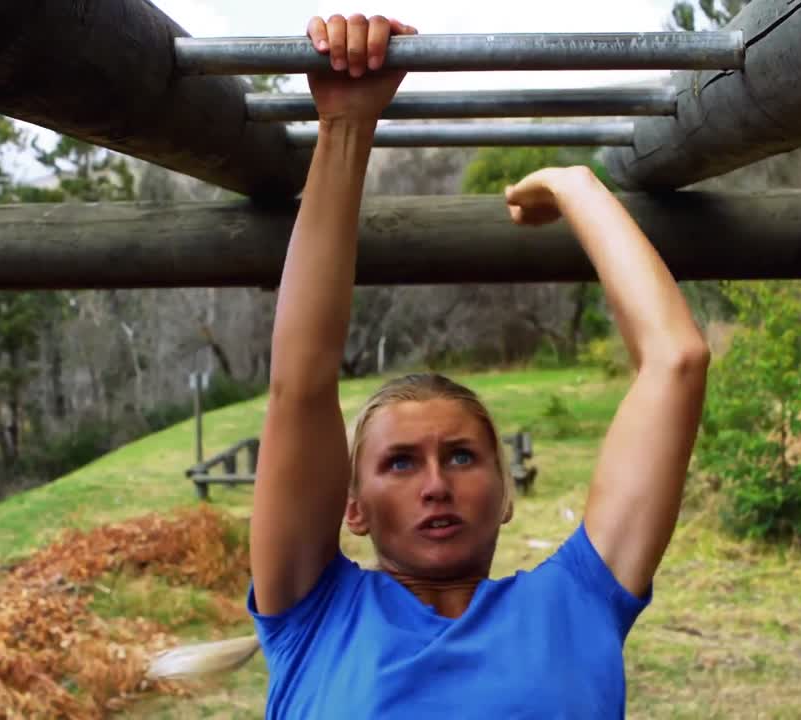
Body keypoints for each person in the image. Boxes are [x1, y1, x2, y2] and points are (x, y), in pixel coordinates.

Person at [147, 13, 710, 719]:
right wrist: (344, 124)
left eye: (463, 457)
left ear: (505, 494)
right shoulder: (317, 619)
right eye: (400, 463)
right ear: (353, 508)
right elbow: (301, 381)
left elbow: (676, 361)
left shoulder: (577, 604)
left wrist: (578, 189)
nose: (436, 485)